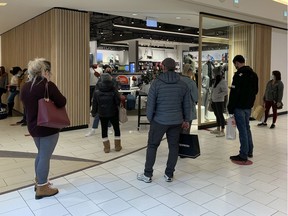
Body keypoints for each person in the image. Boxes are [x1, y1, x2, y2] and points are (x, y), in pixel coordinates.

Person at [137, 58, 191, 183]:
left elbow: (151, 103)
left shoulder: (157, 83)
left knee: (152, 146)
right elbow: (187, 104)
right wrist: (186, 119)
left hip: (159, 120)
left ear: (163, 67)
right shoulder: (183, 84)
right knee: (173, 147)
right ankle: (169, 174)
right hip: (176, 121)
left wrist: (150, 118)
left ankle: (147, 174)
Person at [20, 58, 67, 199]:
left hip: (33, 126)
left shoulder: (25, 86)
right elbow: (62, 101)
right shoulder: (47, 85)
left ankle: (39, 181)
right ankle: (42, 187)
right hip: (48, 127)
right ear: (44, 72)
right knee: (45, 156)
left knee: (41, 154)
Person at [227, 55, 258, 162]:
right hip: (248, 106)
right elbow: (256, 91)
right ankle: (249, 151)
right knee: (247, 128)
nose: (235, 66)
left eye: (235, 64)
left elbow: (234, 94)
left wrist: (230, 108)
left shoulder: (238, 75)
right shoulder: (254, 75)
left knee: (242, 130)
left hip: (239, 107)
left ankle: (243, 154)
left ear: (237, 63)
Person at [91, 73, 122, 153]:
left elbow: (94, 103)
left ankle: (107, 148)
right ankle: (117, 146)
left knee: (104, 130)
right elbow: (118, 101)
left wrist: (94, 113)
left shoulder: (97, 91)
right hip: (113, 112)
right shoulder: (114, 89)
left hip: (102, 113)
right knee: (116, 128)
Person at [210, 67, 228, 137]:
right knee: (217, 115)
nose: (213, 75)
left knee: (220, 115)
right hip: (214, 100)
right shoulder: (215, 81)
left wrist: (218, 95)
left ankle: (222, 130)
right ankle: (218, 128)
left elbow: (225, 92)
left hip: (219, 101)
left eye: (214, 73)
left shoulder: (222, 81)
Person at [180, 63, 198, 133]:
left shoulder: (177, 80)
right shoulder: (191, 83)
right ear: (189, 71)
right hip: (188, 110)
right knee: (186, 131)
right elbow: (195, 97)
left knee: (178, 132)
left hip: (177, 110)